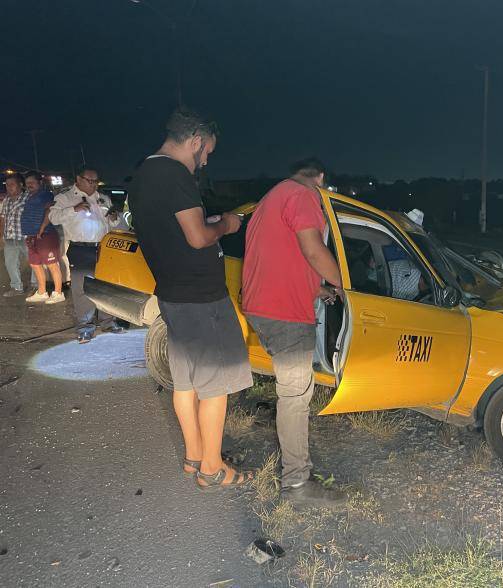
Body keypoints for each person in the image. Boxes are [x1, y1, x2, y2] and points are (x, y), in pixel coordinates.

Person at [128, 107, 255, 490]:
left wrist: (208, 220)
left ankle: (194, 457)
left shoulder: (142, 174)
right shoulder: (175, 174)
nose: (205, 161)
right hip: (201, 297)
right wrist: (227, 224)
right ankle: (213, 470)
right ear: (196, 141)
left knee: (185, 383)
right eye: (207, 152)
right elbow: (198, 236)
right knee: (214, 386)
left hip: (172, 294)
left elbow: (171, 228)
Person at [242, 157, 347, 508]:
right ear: (319, 178)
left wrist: (318, 290)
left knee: (292, 393)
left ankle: (296, 477)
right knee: (295, 396)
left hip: (264, 305)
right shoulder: (303, 196)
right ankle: (297, 483)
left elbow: (282, 259)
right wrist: (344, 285)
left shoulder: (272, 197)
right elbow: (314, 250)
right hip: (284, 314)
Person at [49, 166, 125, 343]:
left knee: (106, 286)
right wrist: (74, 210)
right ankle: (85, 327)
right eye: (89, 181)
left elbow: (113, 225)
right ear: (78, 179)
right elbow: (53, 217)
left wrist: (114, 220)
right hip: (81, 248)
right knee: (83, 289)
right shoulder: (65, 198)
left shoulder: (103, 198)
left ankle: (108, 322)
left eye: (95, 181)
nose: (93, 184)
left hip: (104, 248)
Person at [20, 171, 64, 304]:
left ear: (40, 183)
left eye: (32, 182)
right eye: (27, 183)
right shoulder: (29, 196)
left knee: (51, 264)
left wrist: (42, 228)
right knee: (35, 264)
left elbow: (49, 210)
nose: (29, 185)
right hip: (31, 236)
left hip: (45, 235)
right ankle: (41, 292)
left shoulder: (45, 195)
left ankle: (58, 293)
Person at [0, 173, 37, 296]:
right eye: (7, 185)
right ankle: (16, 288)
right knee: (10, 263)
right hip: (10, 238)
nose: (9, 187)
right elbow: (3, 218)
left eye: (12, 184)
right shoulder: (6, 200)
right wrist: (1, 236)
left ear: (21, 185)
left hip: (26, 237)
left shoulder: (29, 198)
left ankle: (35, 286)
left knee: (34, 263)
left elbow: (34, 217)